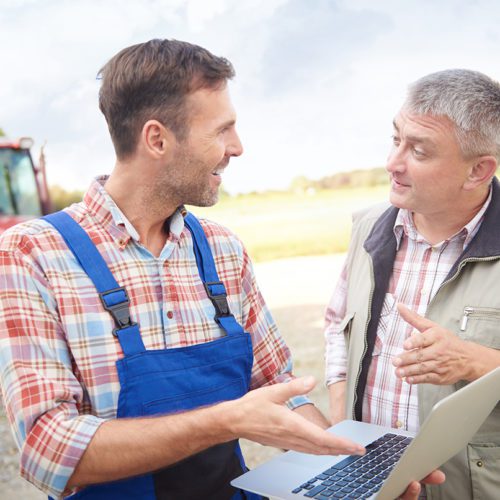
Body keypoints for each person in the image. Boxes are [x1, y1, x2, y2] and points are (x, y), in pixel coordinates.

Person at [0, 39, 441, 500]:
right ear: (157, 139)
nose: (237, 147)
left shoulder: (222, 249)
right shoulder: (34, 253)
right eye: (222, 130)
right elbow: (45, 450)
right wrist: (225, 420)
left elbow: (278, 387)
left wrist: (348, 463)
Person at [325, 68, 500, 499]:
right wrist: (340, 425)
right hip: (369, 484)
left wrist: (477, 362)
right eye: (396, 139)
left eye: (419, 152)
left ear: (478, 170)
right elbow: (336, 327)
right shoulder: (367, 227)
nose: (393, 163)